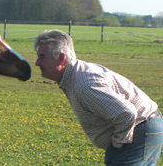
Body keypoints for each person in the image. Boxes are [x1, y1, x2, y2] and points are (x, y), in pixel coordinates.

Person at [34, 29, 163, 166]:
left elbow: (126, 113)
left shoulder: (84, 84)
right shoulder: (76, 75)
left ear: (61, 58)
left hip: (139, 130)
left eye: (42, 57)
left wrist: (118, 144)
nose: (36, 63)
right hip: (145, 128)